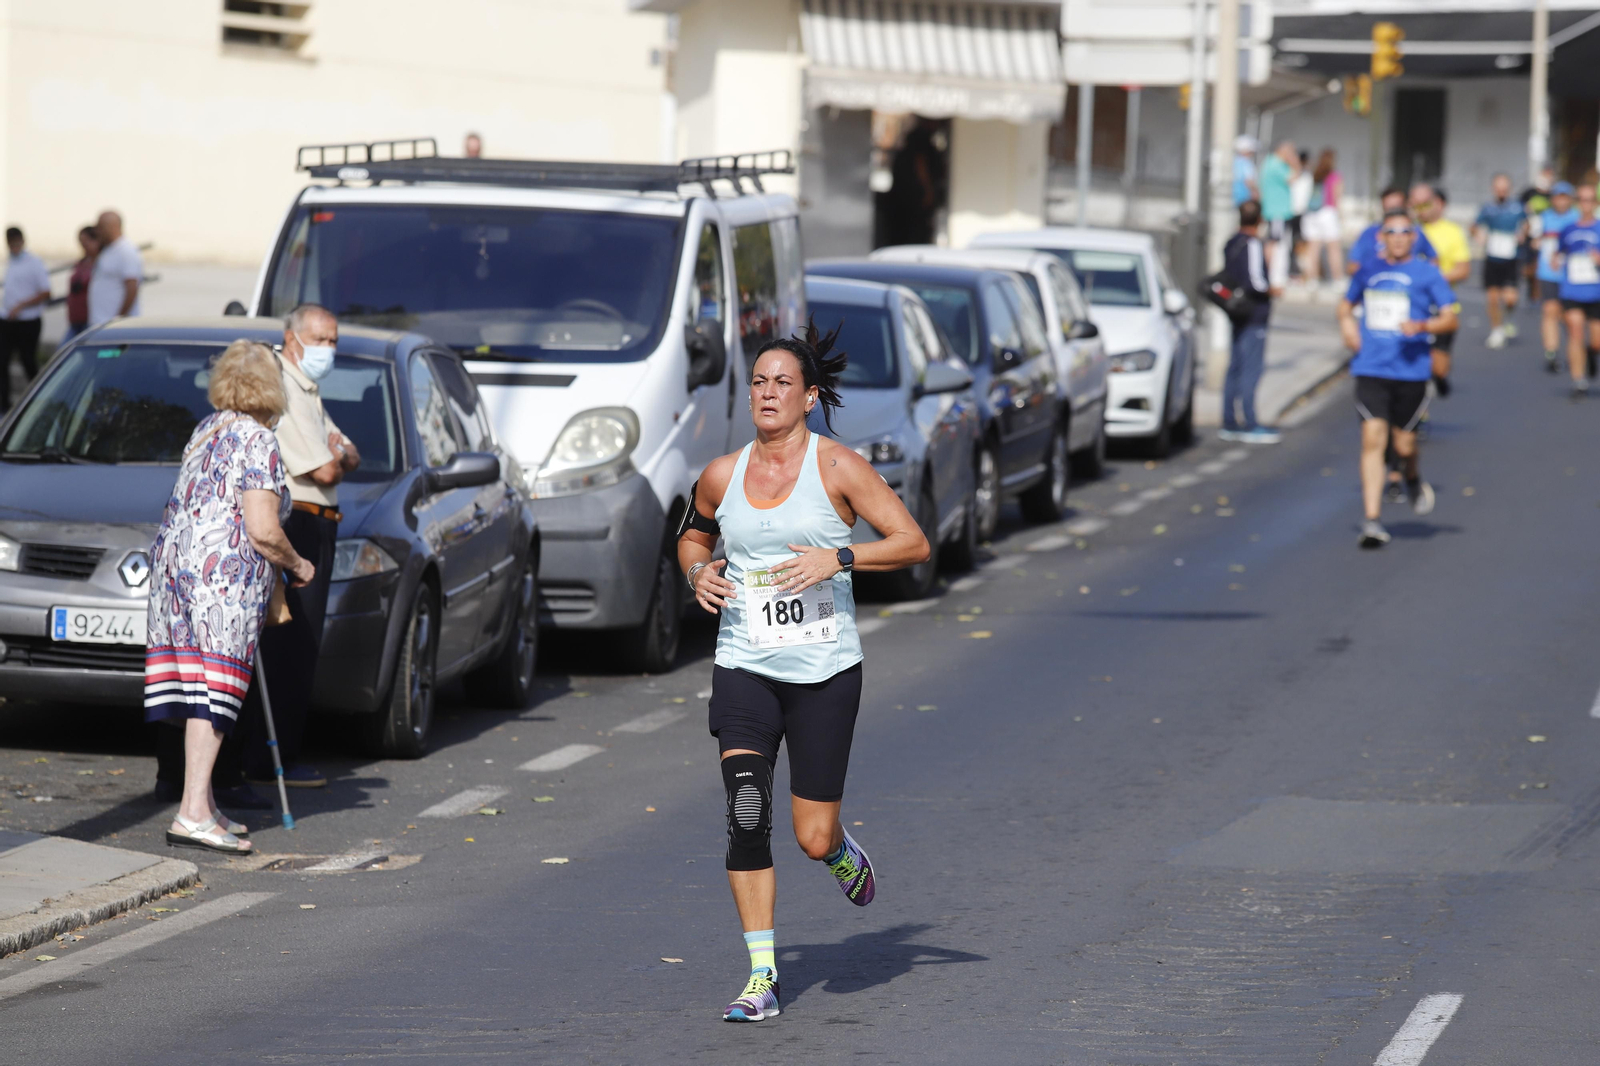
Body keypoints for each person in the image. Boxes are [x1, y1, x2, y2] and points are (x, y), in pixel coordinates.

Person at [678, 321, 929, 1023]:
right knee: (746, 812)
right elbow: (691, 535)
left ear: (810, 397)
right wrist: (697, 571)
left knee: (810, 835)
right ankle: (763, 976)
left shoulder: (838, 469)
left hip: (823, 672)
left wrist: (839, 557)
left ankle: (841, 849)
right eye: (759, 381)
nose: (767, 392)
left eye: (783, 382)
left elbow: (913, 542)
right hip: (744, 666)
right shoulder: (721, 475)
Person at [145, 341, 316, 854]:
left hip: (176, 574)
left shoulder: (207, 429)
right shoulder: (258, 440)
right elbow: (262, 529)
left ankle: (204, 805)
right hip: (221, 582)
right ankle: (193, 812)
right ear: (271, 388)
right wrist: (298, 563)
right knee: (214, 695)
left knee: (198, 688)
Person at [230, 304, 360, 792]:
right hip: (297, 523)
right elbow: (327, 469)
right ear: (291, 337)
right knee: (288, 642)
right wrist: (339, 454)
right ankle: (270, 758)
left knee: (299, 645)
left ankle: (277, 752)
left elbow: (350, 452)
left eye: (334, 340)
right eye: (320, 339)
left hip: (319, 520)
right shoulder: (280, 385)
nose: (328, 349)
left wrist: (340, 453)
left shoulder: (308, 387)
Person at [1338, 211, 1457, 549]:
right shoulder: (1369, 271)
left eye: (1407, 231)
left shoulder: (1427, 273)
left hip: (1411, 370)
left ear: (1414, 237)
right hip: (1371, 368)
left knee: (1404, 444)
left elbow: (1450, 319)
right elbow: (1345, 305)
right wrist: (1348, 329)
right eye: (1392, 231)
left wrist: (1422, 327)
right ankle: (1372, 520)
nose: (1400, 237)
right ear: (1382, 237)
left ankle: (1413, 476)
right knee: (1373, 438)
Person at [1219, 200, 1279, 444]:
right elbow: (1256, 281)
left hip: (1236, 311)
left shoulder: (1231, 242)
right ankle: (1250, 422)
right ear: (1259, 220)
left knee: (1235, 366)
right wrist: (1272, 289)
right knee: (1249, 369)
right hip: (1253, 314)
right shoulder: (1252, 244)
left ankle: (1229, 420)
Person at [1415, 184, 1470, 396]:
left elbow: (1463, 270)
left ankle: (1440, 377)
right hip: (1415, 307)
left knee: (1438, 366)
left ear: (1437, 204)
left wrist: (1432, 279)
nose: (1421, 209)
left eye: (1425, 204)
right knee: (1418, 363)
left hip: (1443, 307)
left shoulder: (1453, 232)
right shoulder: (1407, 232)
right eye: (1416, 204)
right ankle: (1420, 414)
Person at [1552, 183, 1600, 399]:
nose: (1585, 204)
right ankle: (1578, 379)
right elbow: (1558, 252)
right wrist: (1555, 260)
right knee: (1575, 330)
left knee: (1596, 340)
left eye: (1590, 199)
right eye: (1581, 199)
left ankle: (1592, 354)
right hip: (1572, 291)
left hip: (1596, 293)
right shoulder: (1568, 230)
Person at [1473, 173, 1526, 349]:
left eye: (1504, 188)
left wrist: (1523, 235)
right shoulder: (1488, 208)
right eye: (1498, 188)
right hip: (1493, 256)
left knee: (1510, 298)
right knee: (1493, 297)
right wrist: (1479, 235)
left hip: (1511, 257)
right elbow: (1475, 226)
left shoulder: (1517, 207)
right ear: (1493, 189)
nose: (1501, 191)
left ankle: (1508, 317)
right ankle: (1496, 330)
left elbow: (1527, 225)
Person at [0, 227, 50, 410]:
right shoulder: (10, 262)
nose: (13, 246)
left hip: (28, 320)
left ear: (22, 241)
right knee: (2, 360)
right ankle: (4, 404)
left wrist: (21, 306)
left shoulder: (34, 262)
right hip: (7, 320)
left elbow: (46, 291)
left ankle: (39, 400)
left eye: (16, 242)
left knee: (27, 360)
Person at [1532, 180, 1579, 373]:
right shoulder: (1543, 218)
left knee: (1570, 316)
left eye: (1564, 197)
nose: (1561, 201)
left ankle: (1574, 349)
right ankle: (1551, 352)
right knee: (1550, 310)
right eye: (1557, 197)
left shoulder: (1577, 218)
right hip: (1548, 272)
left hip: (1573, 274)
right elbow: (1534, 239)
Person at [1348, 186, 1437, 273]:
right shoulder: (1369, 233)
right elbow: (1352, 266)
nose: (1393, 214)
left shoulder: (1415, 231)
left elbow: (1434, 260)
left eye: (1396, 208)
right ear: (1381, 236)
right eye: (1388, 209)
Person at [87, 210, 141, 327]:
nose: (97, 231)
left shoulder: (126, 251)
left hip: (114, 326)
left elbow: (132, 288)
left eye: (100, 227)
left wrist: (119, 320)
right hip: (100, 324)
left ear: (112, 227)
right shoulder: (108, 249)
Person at [1300, 149, 1344, 289]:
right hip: (1328, 212)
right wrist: (1340, 216)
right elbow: (1337, 197)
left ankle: (1312, 279)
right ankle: (1337, 279)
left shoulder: (1314, 174)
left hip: (1311, 213)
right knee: (1333, 248)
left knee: (1313, 249)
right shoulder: (1334, 176)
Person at [1259, 141, 1297, 285]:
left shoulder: (1272, 163)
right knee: (1274, 242)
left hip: (1278, 210)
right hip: (1277, 211)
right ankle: (1269, 275)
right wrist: (1295, 162)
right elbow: (1293, 178)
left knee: (1277, 242)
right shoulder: (1275, 164)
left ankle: (1273, 274)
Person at [63, 225, 100, 342]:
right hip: (75, 320)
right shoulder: (81, 262)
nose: (83, 246)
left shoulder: (101, 264)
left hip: (89, 320)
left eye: (86, 242)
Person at [1231, 135, 1259, 207]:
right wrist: (1257, 192)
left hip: (1233, 198)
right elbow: (1249, 181)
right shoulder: (1246, 163)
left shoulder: (1233, 161)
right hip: (1244, 200)